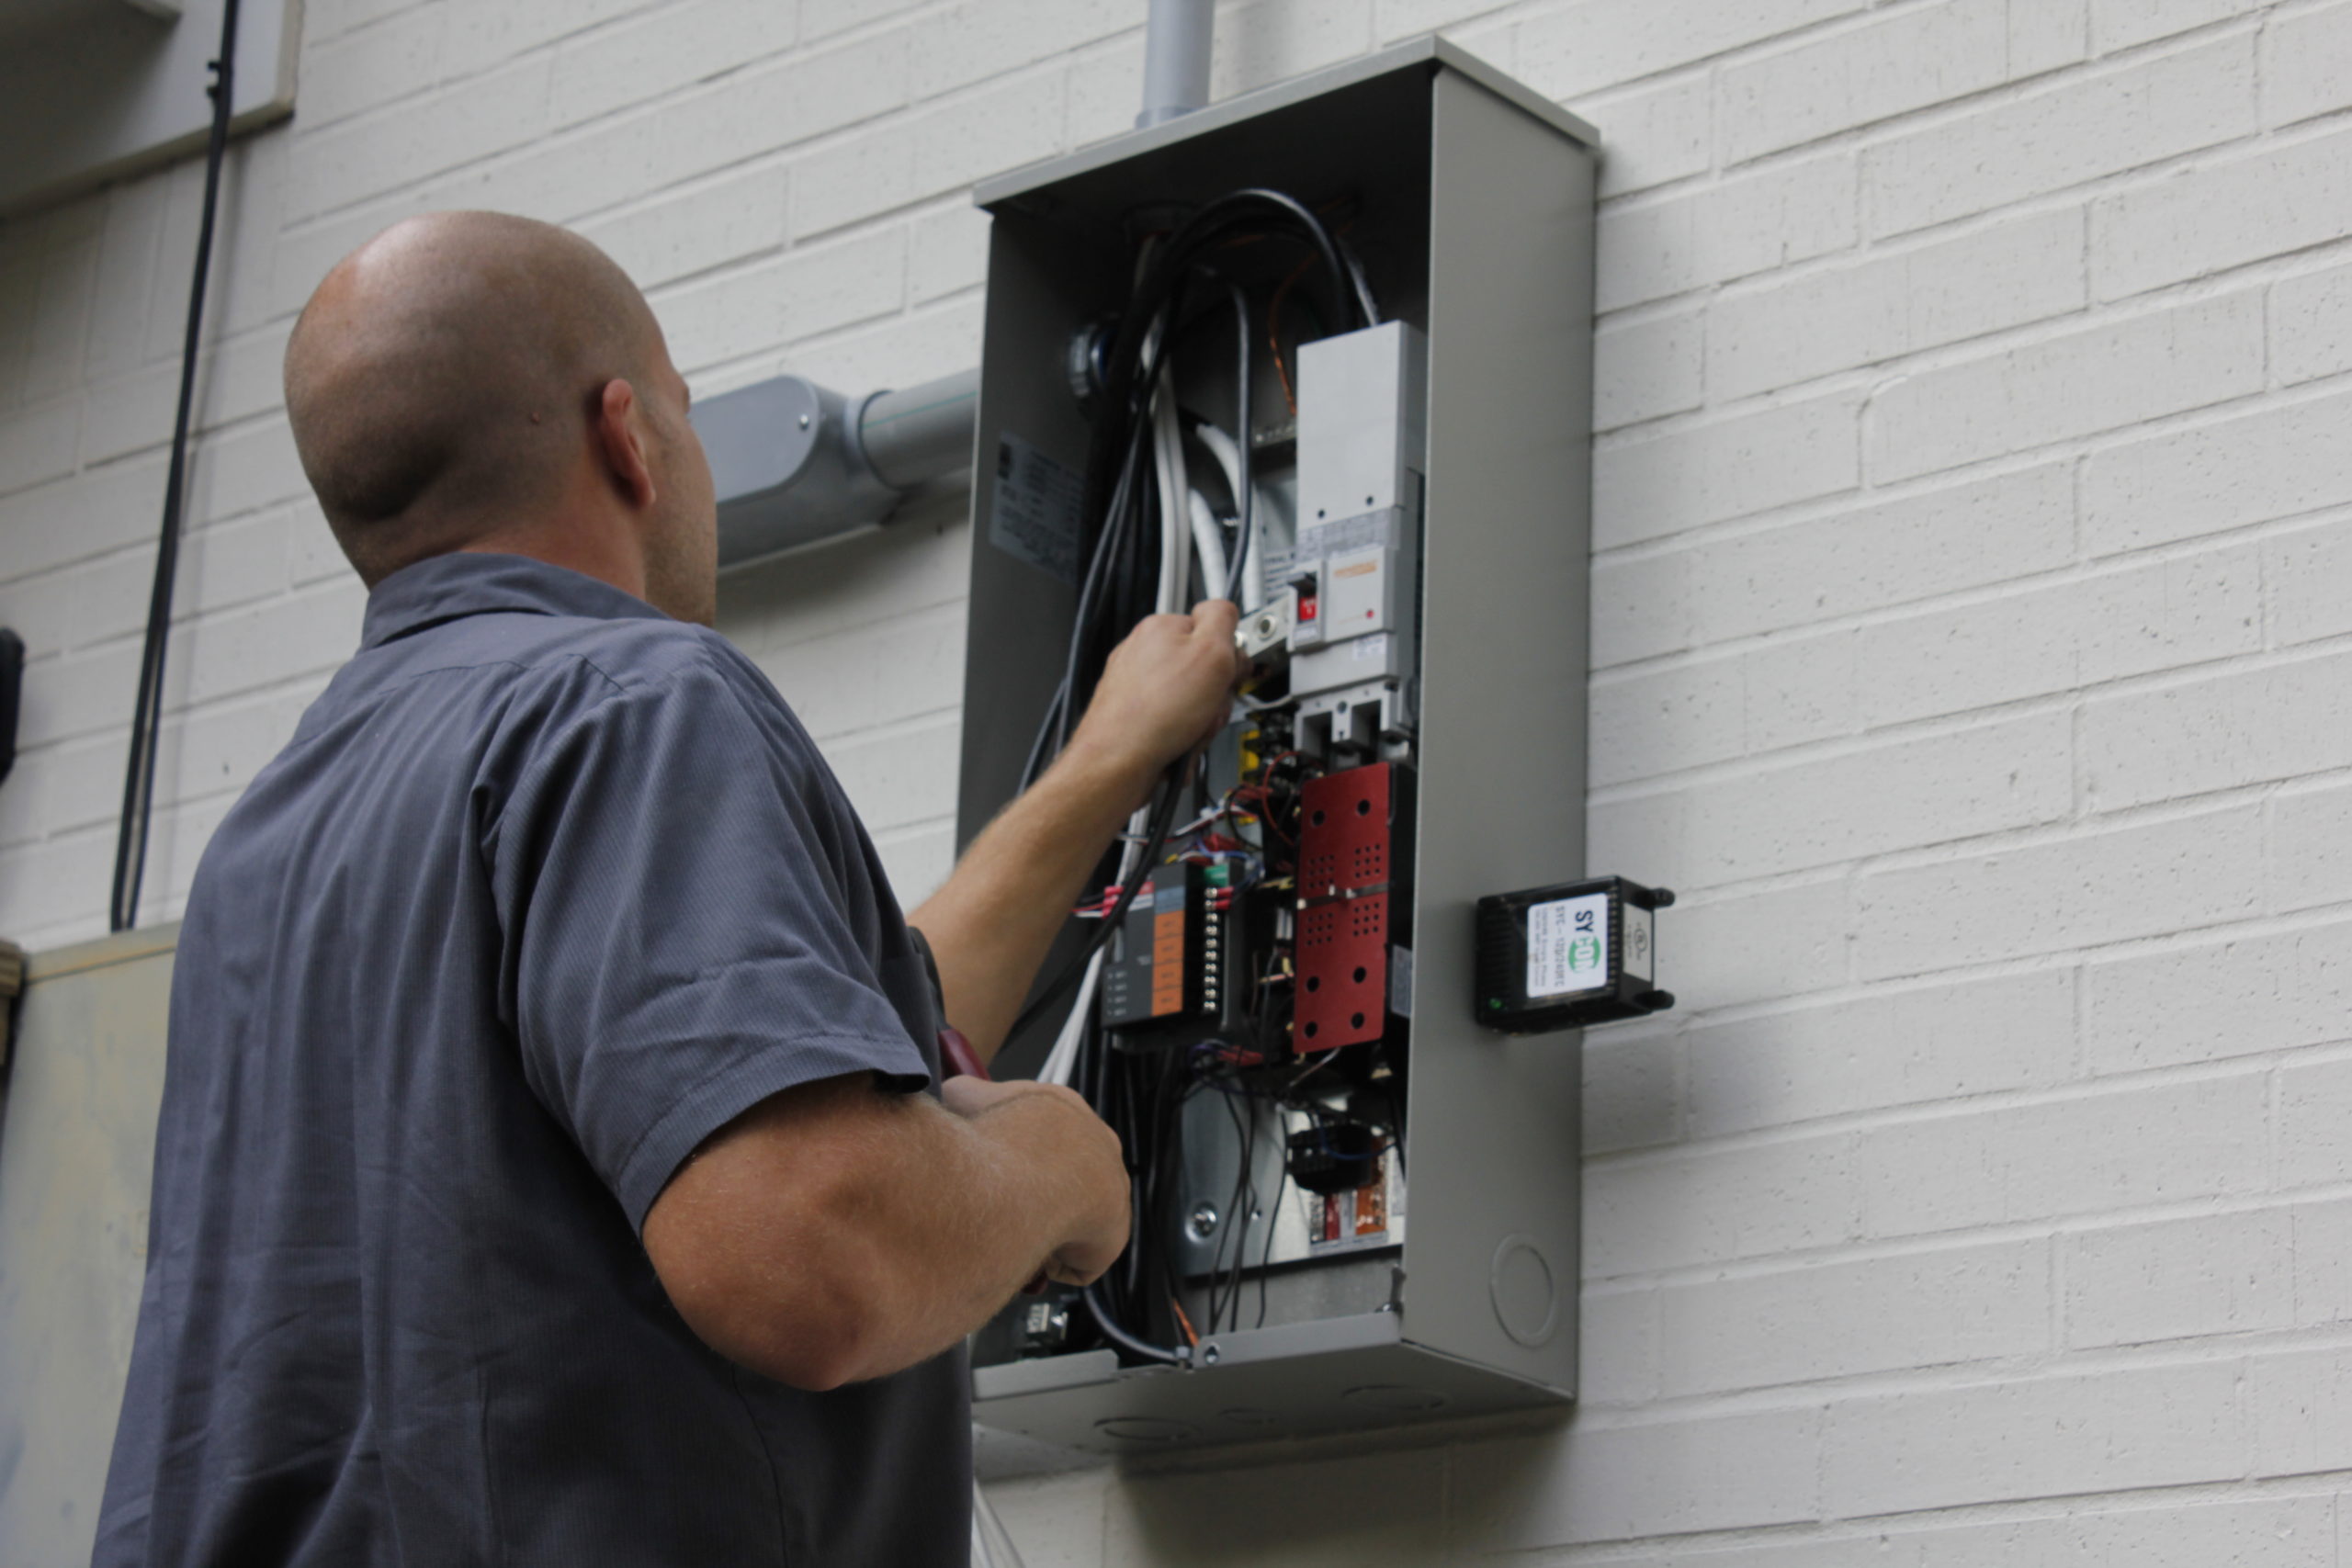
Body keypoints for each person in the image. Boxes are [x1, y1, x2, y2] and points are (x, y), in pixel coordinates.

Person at [92, 210, 1241, 1566]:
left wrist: (1108, 763)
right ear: (626, 435)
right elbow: (808, 1254)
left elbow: (854, 1045)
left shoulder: (273, 836)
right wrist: (1055, 1168)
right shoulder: (628, 700)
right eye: (687, 412)